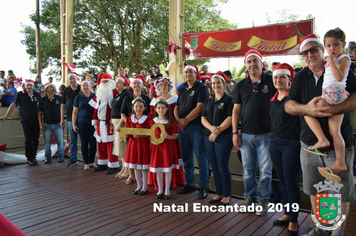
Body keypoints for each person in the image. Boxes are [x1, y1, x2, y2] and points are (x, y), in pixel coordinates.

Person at [285, 34, 356, 236]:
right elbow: (289, 105)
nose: (309, 55)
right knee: (317, 190)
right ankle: (322, 231)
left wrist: (331, 109)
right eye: (305, 53)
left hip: (337, 145)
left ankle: (337, 233)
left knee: (338, 193)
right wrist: (308, 110)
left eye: (313, 50)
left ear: (323, 50)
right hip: (310, 145)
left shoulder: (341, 67)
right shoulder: (300, 76)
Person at [232, 49, 277, 215]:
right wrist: (235, 133)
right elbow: (236, 111)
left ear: (261, 63)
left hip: (267, 135)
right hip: (246, 135)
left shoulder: (272, 81)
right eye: (249, 61)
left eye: (255, 61)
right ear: (246, 65)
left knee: (266, 171)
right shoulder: (241, 85)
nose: (252, 64)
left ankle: (263, 201)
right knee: (248, 170)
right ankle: (249, 198)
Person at [301, 30, 350, 182]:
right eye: (329, 46)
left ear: (344, 44)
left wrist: (330, 61)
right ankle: (340, 163)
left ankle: (322, 140)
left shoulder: (343, 59)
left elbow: (340, 76)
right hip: (333, 94)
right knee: (335, 132)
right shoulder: (303, 75)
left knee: (309, 111)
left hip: (333, 94)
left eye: (335, 45)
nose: (332, 49)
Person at [269, 64, 301, 235]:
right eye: (276, 77)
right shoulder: (273, 99)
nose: (278, 80)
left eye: (282, 77)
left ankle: (294, 220)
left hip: (291, 144)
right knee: (282, 182)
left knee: (291, 183)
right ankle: (288, 213)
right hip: (274, 144)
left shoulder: (294, 98)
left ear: (289, 79)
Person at [174, 64, 210, 199]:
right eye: (186, 72)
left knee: (201, 158)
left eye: (191, 71)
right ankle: (189, 184)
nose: (188, 73)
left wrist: (186, 120)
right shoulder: (182, 89)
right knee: (186, 158)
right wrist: (179, 121)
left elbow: (200, 107)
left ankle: (204, 186)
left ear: (196, 74)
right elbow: (176, 108)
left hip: (196, 128)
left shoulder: (201, 88)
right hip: (183, 128)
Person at [201, 71, 234, 206]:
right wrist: (211, 129)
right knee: (214, 165)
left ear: (223, 84)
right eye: (213, 83)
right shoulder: (208, 100)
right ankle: (219, 192)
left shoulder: (229, 99)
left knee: (222, 165)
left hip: (224, 137)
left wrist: (217, 131)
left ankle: (227, 194)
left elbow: (230, 118)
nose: (216, 85)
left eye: (218, 83)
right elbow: (203, 118)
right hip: (209, 136)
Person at [148, 77, 185, 189]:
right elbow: (151, 117)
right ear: (158, 87)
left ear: (169, 87)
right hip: (157, 133)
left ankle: (174, 181)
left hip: (171, 130)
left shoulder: (175, 98)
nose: (163, 87)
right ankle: (157, 184)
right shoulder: (154, 100)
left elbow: (178, 113)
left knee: (170, 156)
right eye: (161, 85)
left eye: (165, 84)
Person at [0, 80, 42, 165]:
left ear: (33, 86)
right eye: (28, 85)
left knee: (36, 139)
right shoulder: (20, 94)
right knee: (28, 139)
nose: (29, 87)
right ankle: (29, 157)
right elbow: (13, 104)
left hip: (36, 120)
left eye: (31, 85)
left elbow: (41, 107)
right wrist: (6, 116)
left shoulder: (37, 95)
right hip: (25, 120)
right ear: (25, 86)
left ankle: (33, 156)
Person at [121, 75, 151, 184]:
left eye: (138, 83)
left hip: (143, 130)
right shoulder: (127, 97)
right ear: (132, 85)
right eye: (135, 83)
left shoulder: (147, 97)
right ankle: (131, 176)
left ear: (142, 85)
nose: (136, 85)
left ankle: (144, 177)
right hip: (132, 128)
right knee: (131, 155)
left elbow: (149, 114)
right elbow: (123, 113)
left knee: (143, 156)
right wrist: (130, 125)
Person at [149, 99, 181, 199]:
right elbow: (150, 136)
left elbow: (176, 136)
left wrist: (167, 137)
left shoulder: (171, 121)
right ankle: (160, 189)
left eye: (163, 108)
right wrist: (153, 141)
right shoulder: (152, 122)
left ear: (167, 109)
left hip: (167, 148)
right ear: (155, 109)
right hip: (156, 149)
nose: (161, 110)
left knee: (167, 169)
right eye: (158, 108)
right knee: (158, 169)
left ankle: (167, 190)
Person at [89, 73, 120, 174]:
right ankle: (102, 163)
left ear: (111, 82)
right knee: (101, 143)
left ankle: (113, 164)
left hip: (110, 122)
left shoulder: (115, 93)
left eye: (106, 81)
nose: (104, 83)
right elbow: (95, 110)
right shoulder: (98, 94)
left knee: (111, 144)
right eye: (103, 81)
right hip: (100, 122)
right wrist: (94, 120)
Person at [124, 98, 150, 195]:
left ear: (144, 108)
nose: (138, 108)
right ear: (133, 108)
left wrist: (141, 135)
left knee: (143, 167)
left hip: (143, 144)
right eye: (136, 106)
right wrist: (132, 135)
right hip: (133, 144)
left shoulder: (147, 119)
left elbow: (150, 132)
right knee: (135, 166)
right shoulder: (129, 119)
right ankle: (139, 186)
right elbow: (126, 131)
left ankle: (145, 187)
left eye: (141, 106)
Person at [72, 80, 97, 170]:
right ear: (81, 87)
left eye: (87, 85)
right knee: (84, 143)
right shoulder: (78, 98)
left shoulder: (94, 96)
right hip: (82, 123)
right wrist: (73, 124)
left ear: (90, 87)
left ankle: (92, 161)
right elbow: (75, 112)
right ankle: (86, 162)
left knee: (93, 143)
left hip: (93, 124)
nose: (86, 87)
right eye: (84, 86)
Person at [38, 83, 65, 164]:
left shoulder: (59, 98)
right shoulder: (42, 100)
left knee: (60, 142)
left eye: (53, 87)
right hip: (47, 124)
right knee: (47, 142)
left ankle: (61, 156)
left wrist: (62, 120)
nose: (53, 89)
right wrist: (40, 124)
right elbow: (39, 113)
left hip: (58, 124)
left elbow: (62, 110)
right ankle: (48, 157)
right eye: (51, 87)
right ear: (46, 89)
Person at [111, 76, 130, 178]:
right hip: (115, 122)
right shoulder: (118, 94)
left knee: (122, 147)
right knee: (119, 148)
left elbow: (124, 111)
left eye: (119, 83)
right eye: (116, 83)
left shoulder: (126, 95)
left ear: (124, 84)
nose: (117, 85)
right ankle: (123, 167)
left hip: (121, 123)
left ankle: (127, 169)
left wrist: (120, 123)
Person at [61, 73, 81, 167]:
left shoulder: (81, 88)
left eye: (73, 78)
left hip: (82, 118)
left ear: (76, 79)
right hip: (69, 118)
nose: (72, 80)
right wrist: (62, 118)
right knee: (73, 140)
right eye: (70, 79)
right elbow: (63, 105)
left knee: (85, 139)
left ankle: (88, 160)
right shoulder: (66, 90)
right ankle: (73, 158)